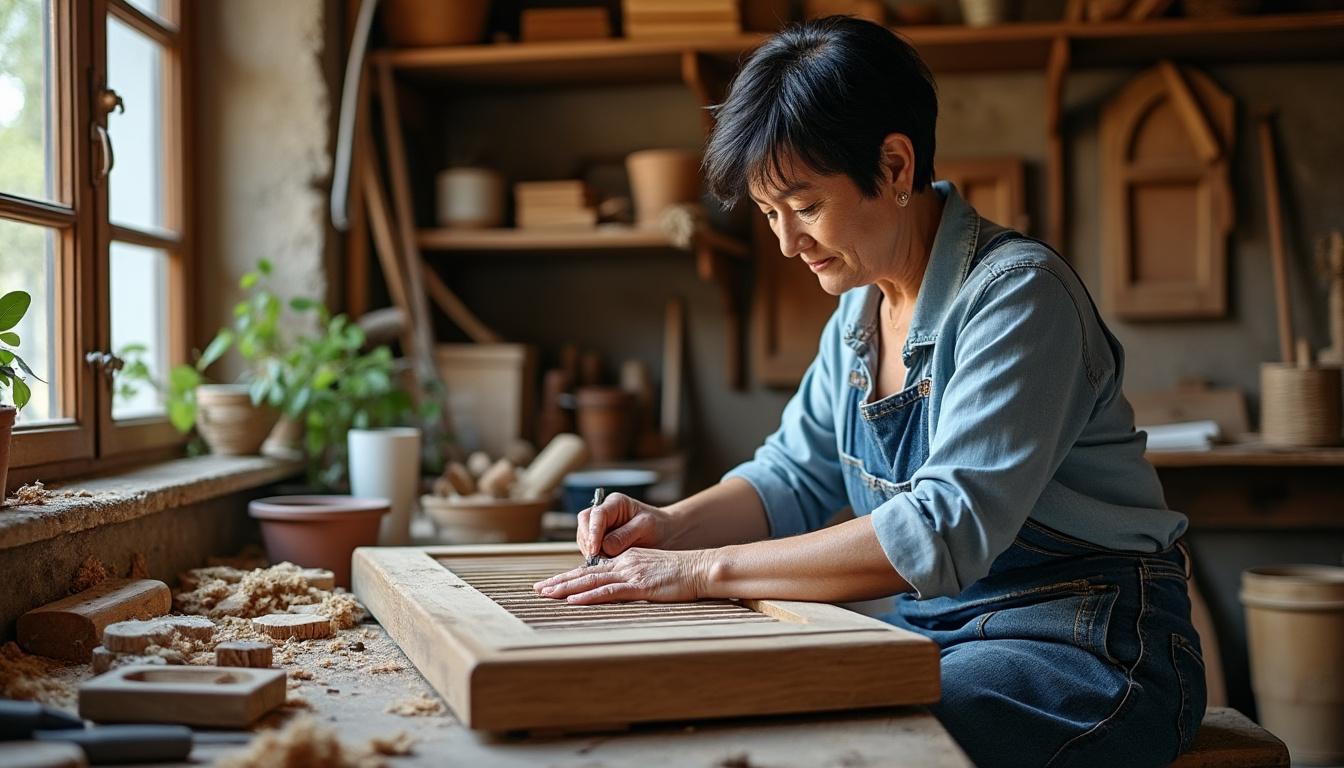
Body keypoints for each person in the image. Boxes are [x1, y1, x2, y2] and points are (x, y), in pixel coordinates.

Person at [533, 16, 1205, 767]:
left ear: (892, 166)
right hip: (940, 631)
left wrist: (698, 571)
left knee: (867, 740)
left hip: (1089, 644)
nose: (788, 243)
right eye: (768, 214)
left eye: (805, 206)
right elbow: (791, 477)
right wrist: (670, 528)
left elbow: (943, 526)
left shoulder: (1018, 298)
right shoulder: (859, 312)